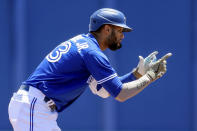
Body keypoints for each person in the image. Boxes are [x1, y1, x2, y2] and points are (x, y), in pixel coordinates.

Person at [8, 8, 172, 131]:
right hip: (34, 106)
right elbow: (121, 94)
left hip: (38, 108)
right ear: (107, 29)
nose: (123, 35)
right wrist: (149, 76)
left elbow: (105, 90)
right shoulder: (91, 52)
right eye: (120, 30)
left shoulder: (85, 45)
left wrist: (137, 74)